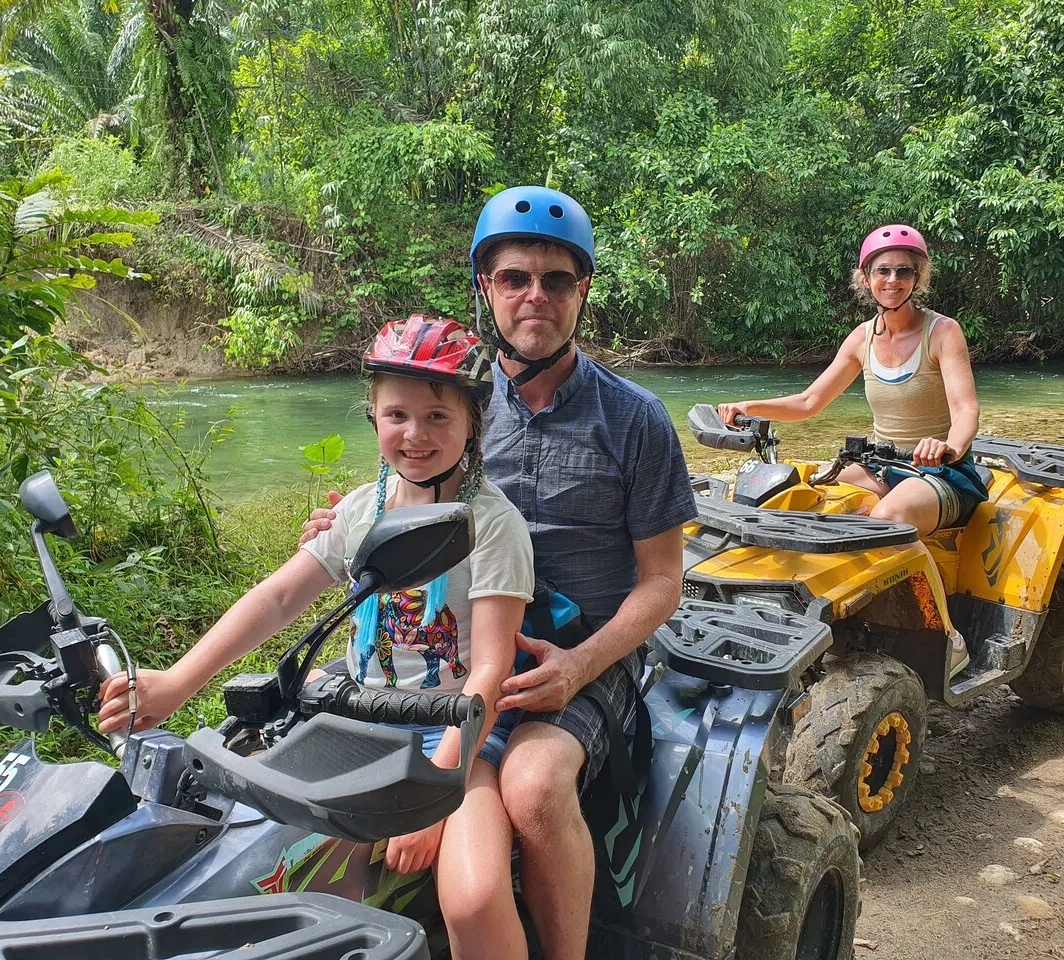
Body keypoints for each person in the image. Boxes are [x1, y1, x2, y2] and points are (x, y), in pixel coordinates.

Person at [302, 186, 697, 960]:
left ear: (583, 292)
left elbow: (662, 582)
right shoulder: (458, 403)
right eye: (515, 277)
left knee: (533, 786)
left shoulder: (636, 419)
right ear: (486, 288)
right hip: (461, 640)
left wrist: (580, 665)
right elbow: (403, 487)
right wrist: (347, 528)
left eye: (557, 280)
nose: (535, 296)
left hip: (578, 647)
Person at [98, 317, 534, 960]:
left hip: (454, 734)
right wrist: (176, 682)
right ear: (373, 416)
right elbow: (277, 597)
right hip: (354, 720)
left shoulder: (493, 525)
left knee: (472, 897)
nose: (415, 435)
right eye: (397, 415)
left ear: (473, 425)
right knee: (266, 865)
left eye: (438, 417)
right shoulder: (362, 510)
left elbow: (490, 668)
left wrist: (435, 795)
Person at [719, 224, 984, 675]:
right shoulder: (862, 338)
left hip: (942, 472)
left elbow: (966, 409)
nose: (893, 280)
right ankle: (810, 615)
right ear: (866, 279)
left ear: (919, 277)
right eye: (882, 271)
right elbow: (809, 402)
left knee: (887, 521)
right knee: (808, 501)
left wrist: (948, 446)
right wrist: (748, 405)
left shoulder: (943, 332)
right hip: (881, 465)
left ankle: (949, 637)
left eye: (904, 270)